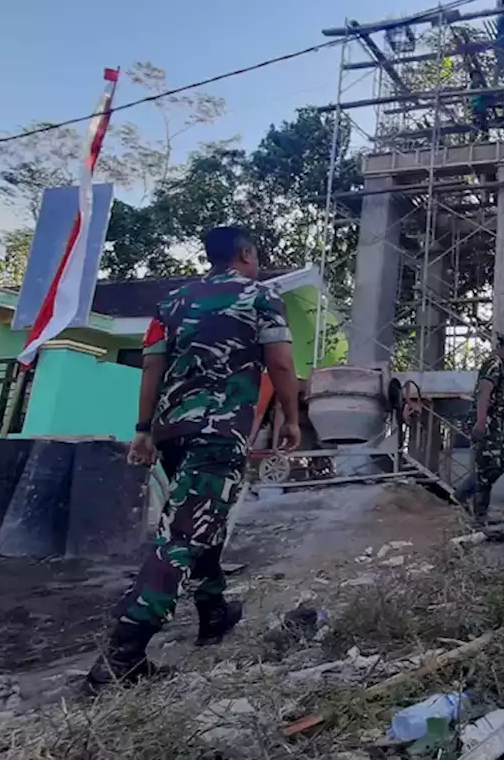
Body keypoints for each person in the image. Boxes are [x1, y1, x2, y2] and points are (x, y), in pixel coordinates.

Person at [85, 226, 301, 691]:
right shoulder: (260, 297)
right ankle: (122, 654)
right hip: (218, 433)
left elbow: (151, 366)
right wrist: (290, 417)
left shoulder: (172, 303)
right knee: (184, 534)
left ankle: (213, 613)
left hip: (172, 431)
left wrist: (143, 430)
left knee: (203, 520)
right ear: (246, 254)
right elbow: (281, 363)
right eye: (256, 254)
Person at [457, 330, 504, 523]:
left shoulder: (498, 366)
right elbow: (484, 393)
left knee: (495, 465)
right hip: (486, 422)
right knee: (491, 465)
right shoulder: (493, 365)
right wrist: (481, 423)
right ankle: (467, 501)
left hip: (492, 423)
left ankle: (475, 507)